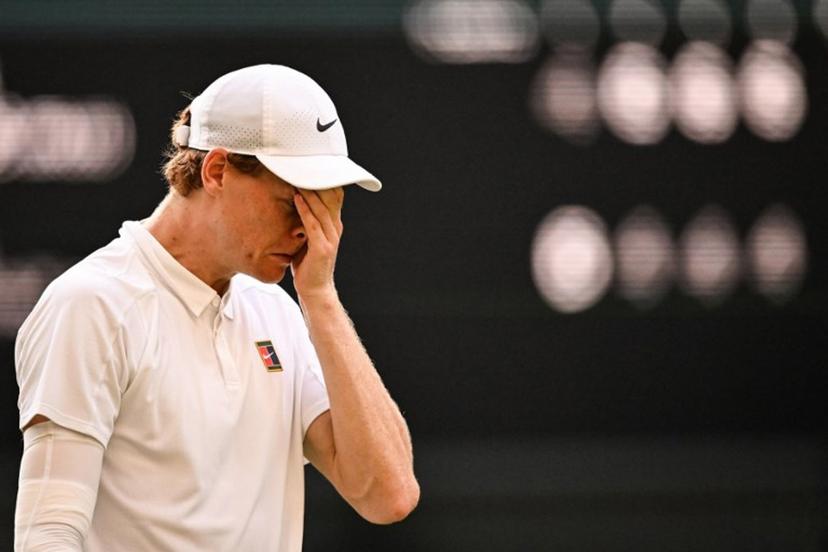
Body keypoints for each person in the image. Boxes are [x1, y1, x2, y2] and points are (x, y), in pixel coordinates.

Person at [14, 64, 419, 551]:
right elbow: (49, 534)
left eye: (324, 209)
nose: (309, 232)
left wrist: (322, 300)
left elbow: (388, 494)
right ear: (217, 170)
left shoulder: (280, 313)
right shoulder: (92, 304)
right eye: (294, 204)